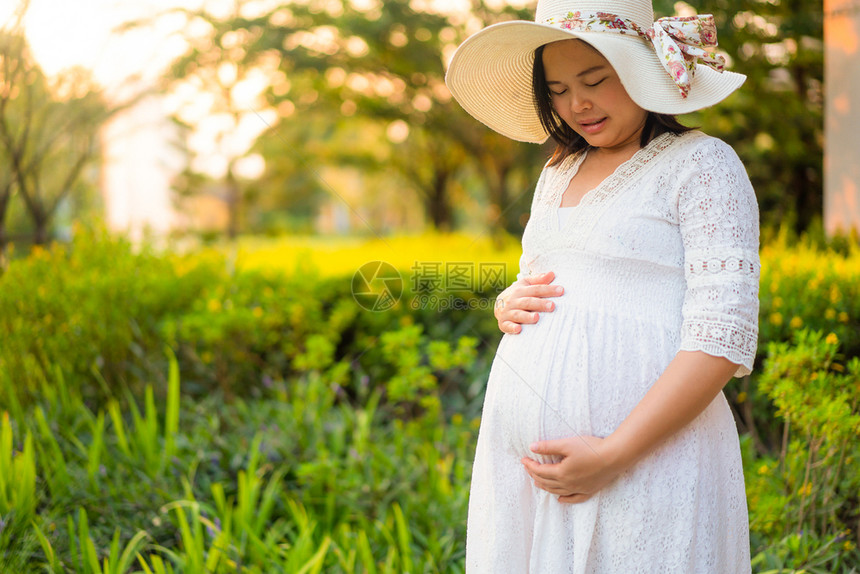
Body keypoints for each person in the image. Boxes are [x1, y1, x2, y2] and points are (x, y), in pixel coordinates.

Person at [445, 0, 760, 571]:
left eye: (596, 80)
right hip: (525, 483)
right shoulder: (556, 173)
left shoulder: (703, 165)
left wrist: (614, 453)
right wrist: (507, 303)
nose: (577, 104)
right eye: (559, 89)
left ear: (643, 70)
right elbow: (546, 279)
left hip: (648, 459)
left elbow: (723, 336)